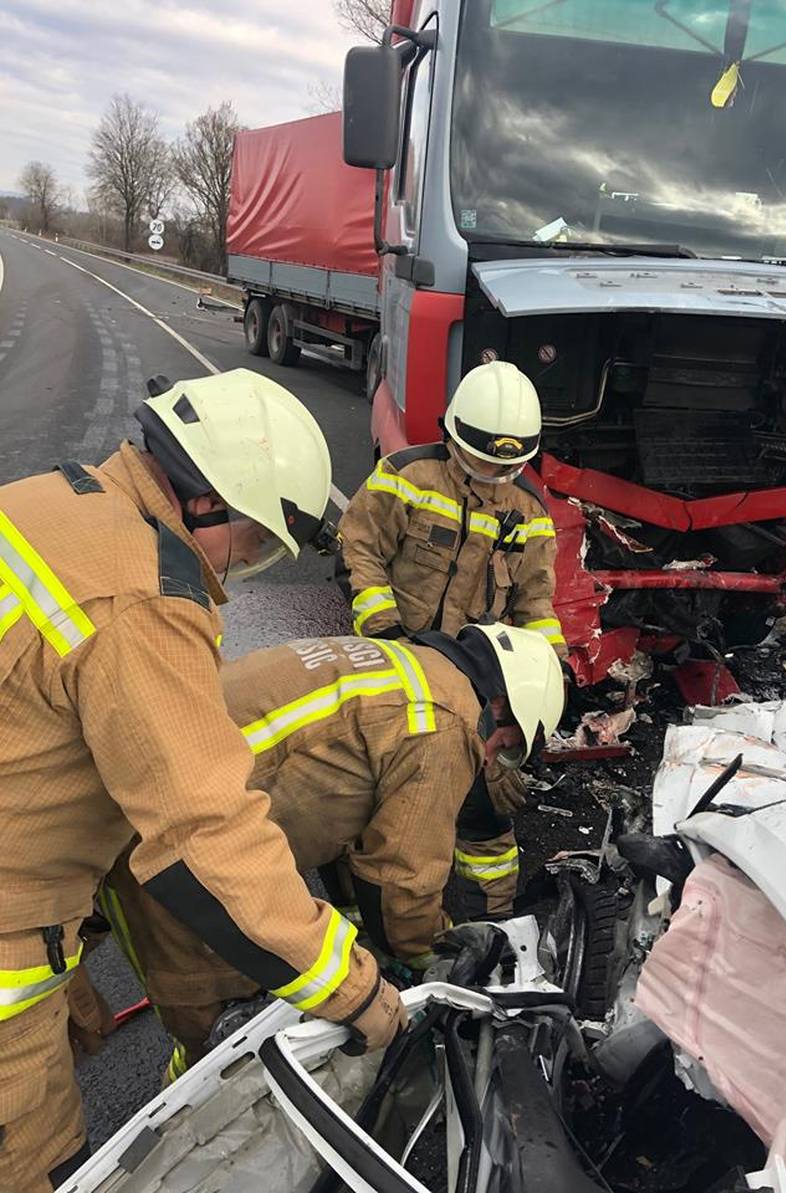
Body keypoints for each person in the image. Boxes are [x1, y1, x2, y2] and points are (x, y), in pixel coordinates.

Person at [0, 368, 404, 1193]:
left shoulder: (53, 501)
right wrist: (354, 988)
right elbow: (206, 835)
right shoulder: (142, 598)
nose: (242, 571)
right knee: (38, 1160)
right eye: (257, 543)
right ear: (212, 501)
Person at [98, 621, 566, 1077]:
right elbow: (401, 884)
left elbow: (344, 794)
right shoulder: (445, 724)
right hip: (171, 845)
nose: (491, 759)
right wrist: (438, 958)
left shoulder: (409, 665)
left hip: (133, 794)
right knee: (223, 1036)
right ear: (500, 706)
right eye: (505, 745)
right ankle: (198, 1128)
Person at [336, 361, 568, 919]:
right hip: (393, 658)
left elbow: (536, 605)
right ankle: (363, 910)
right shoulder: (407, 477)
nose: (495, 474)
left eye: (508, 464)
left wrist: (549, 679)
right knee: (375, 790)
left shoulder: (530, 512)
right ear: (452, 434)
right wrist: (385, 628)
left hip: (472, 679)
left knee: (484, 804)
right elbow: (358, 550)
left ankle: (496, 923)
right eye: (485, 459)